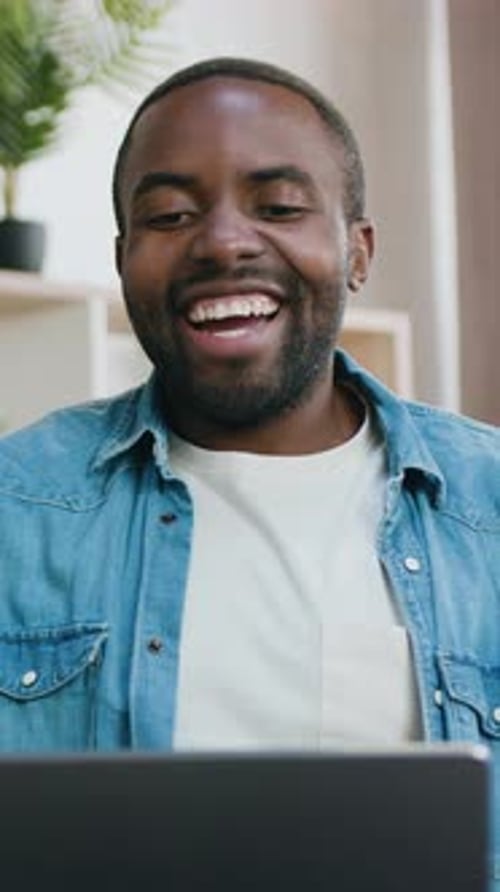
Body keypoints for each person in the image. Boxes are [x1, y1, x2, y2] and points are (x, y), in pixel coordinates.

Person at [0, 54, 499, 860]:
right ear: (124, 258)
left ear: (359, 252)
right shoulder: (13, 510)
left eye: (279, 205)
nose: (223, 242)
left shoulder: (490, 511)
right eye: (168, 216)